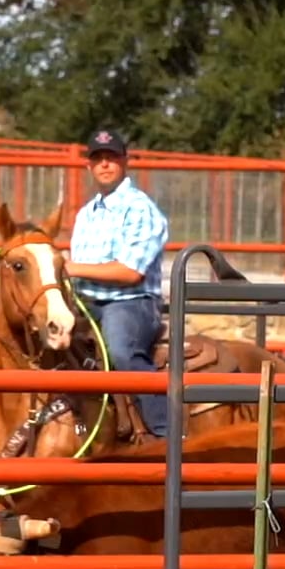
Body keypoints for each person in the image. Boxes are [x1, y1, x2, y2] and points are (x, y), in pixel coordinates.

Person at [63, 129, 170, 437]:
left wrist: (69, 267)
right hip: (87, 302)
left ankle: (167, 433)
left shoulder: (140, 208)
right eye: (98, 159)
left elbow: (129, 272)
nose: (105, 164)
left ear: (125, 162)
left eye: (112, 158)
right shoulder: (86, 214)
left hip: (130, 302)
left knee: (121, 350)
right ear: (89, 166)